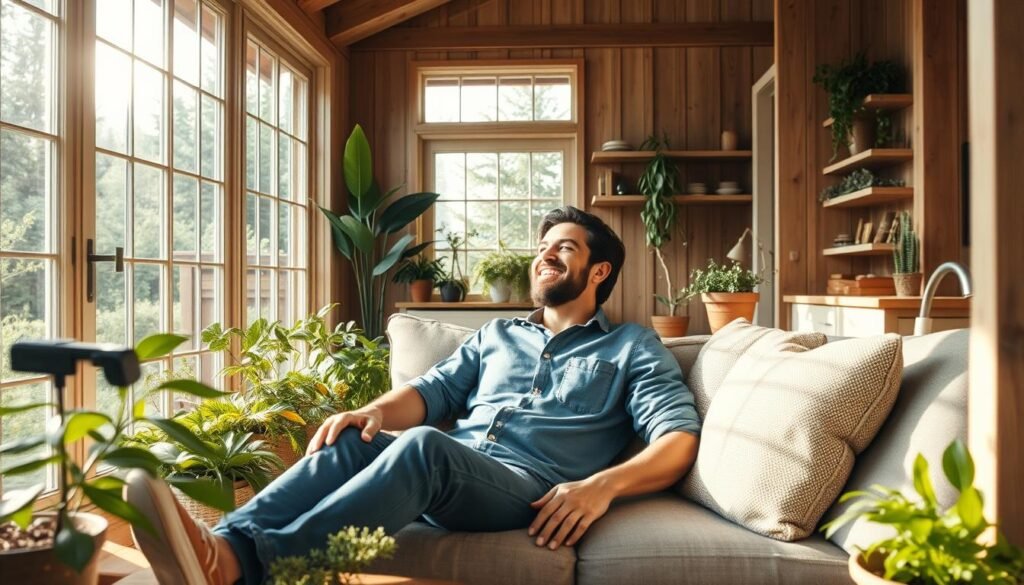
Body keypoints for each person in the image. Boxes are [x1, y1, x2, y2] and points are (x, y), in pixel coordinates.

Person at [126, 205, 701, 585]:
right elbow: (433, 391)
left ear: (599, 272)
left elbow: (677, 437)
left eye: (565, 248)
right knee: (355, 440)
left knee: (424, 445)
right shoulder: (498, 334)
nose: (545, 254)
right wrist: (368, 412)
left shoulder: (631, 347)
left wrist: (602, 486)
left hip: (523, 489)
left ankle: (249, 566)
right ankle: (215, 547)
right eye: (544, 245)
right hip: (453, 470)